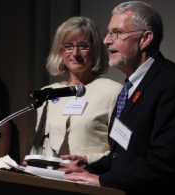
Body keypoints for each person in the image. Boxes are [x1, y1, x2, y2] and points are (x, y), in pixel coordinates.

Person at [61, 1, 175, 195]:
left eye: (117, 32)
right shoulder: (130, 87)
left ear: (145, 38)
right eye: (108, 32)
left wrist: (102, 180)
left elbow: (166, 161)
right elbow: (125, 154)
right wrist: (88, 167)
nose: (106, 40)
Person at [29, 16, 122, 165]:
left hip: (88, 180)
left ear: (95, 51)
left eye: (83, 46)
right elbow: (38, 147)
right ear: (60, 52)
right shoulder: (48, 92)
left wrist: (87, 159)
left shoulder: (113, 92)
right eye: (68, 46)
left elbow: (122, 151)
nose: (75, 53)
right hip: (47, 181)